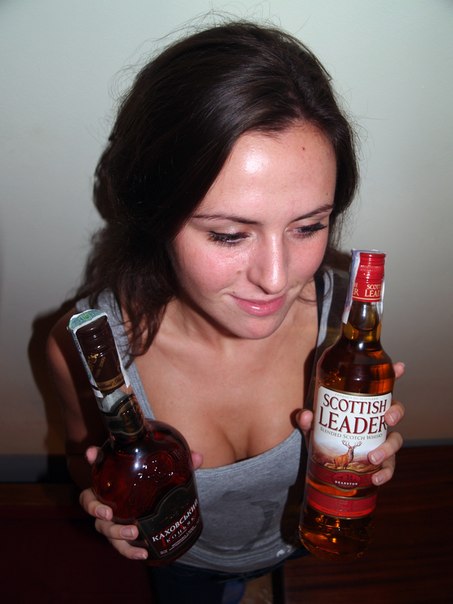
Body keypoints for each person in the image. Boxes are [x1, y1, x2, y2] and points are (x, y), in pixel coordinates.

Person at [47, 20, 405, 604]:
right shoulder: (86, 350)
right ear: (157, 213)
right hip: (186, 560)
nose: (277, 277)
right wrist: (107, 492)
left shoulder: (343, 323)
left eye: (309, 226)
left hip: (296, 540)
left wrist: (362, 454)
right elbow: (74, 454)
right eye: (229, 234)